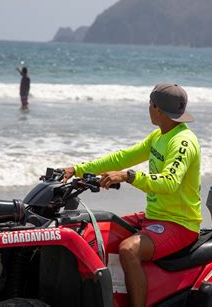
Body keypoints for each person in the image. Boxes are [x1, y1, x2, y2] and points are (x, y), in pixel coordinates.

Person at [62, 83, 201, 307]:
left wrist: (129, 177)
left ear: (157, 109)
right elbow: (122, 158)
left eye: (150, 103)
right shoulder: (159, 135)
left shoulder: (183, 142)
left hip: (180, 223)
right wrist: (76, 169)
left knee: (128, 250)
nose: (148, 107)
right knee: (99, 229)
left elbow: (169, 183)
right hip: (155, 215)